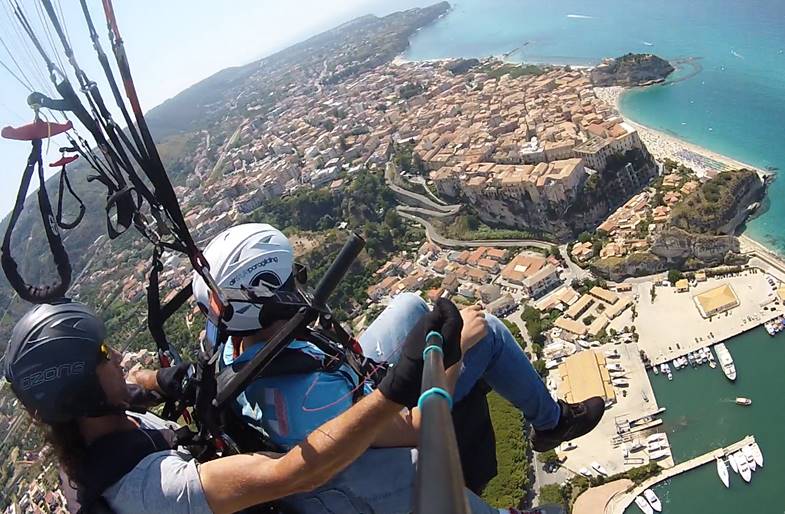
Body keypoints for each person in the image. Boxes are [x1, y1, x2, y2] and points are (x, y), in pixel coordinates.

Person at [190, 224, 605, 510]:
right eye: (291, 279)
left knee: (408, 305)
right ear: (271, 298)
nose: (299, 285)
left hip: (334, 386)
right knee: (487, 331)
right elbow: (419, 426)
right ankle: (549, 427)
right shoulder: (310, 396)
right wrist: (454, 349)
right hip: (359, 450)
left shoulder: (234, 349)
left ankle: (550, 420)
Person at [4, 297, 538, 514]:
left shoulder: (93, 435)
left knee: (405, 310)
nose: (117, 354)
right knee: (401, 458)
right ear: (81, 390)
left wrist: (164, 380)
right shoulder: (152, 493)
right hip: (291, 492)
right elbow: (290, 474)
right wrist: (392, 390)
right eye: (103, 353)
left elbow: (141, 385)